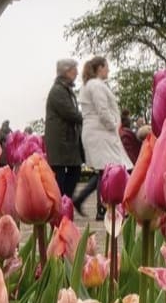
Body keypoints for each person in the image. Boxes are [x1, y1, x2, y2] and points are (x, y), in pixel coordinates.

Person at [76, 56, 129, 218]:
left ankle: (86, 201)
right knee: (107, 170)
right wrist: (114, 125)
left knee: (103, 171)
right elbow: (102, 109)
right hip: (101, 132)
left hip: (96, 132)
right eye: (107, 67)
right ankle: (103, 208)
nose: (109, 70)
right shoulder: (96, 85)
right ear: (100, 67)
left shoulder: (90, 85)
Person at [45, 58, 85, 200]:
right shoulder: (58, 91)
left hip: (67, 142)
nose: (77, 72)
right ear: (66, 71)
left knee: (74, 169)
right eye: (74, 69)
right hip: (60, 143)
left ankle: (64, 201)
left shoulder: (66, 89)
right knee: (60, 176)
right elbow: (70, 113)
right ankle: (60, 203)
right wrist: (89, 118)